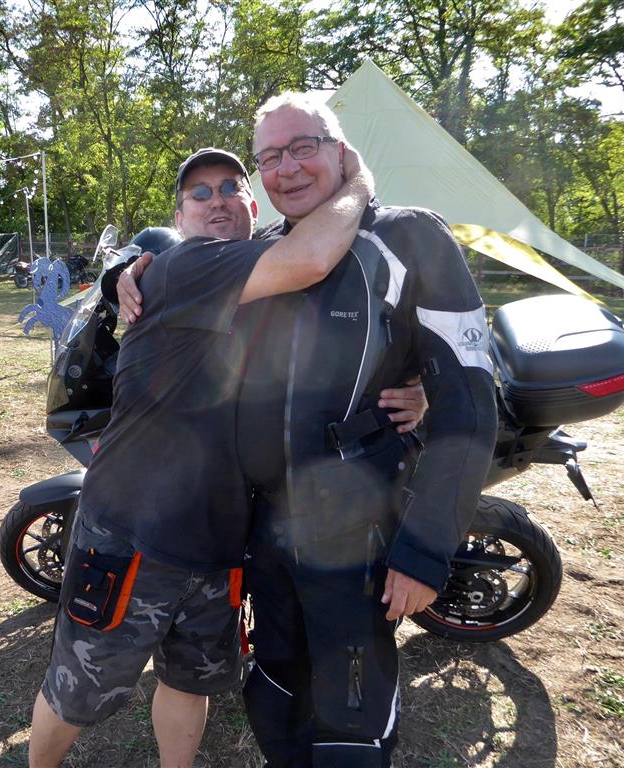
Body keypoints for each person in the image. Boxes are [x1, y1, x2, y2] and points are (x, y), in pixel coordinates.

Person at [118, 92, 497, 767]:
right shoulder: (265, 249)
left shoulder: (411, 237)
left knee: (352, 700)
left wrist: (424, 551)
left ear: (341, 152)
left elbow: (470, 404)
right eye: (270, 157)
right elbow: (181, 268)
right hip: (266, 524)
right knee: (276, 684)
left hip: (361, 526)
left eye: (303, 147)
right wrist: (123, 272)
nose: (287, 168)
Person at [28, 145, 376, 768]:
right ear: (180, 218)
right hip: (132, 533)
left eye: (230, 188)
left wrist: (414, 387)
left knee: (192, 680)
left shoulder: (258, 267)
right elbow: (314, 254)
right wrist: (360, 181)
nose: (216, 201)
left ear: (253, 206)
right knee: (79, 688)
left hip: (217, 540)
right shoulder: (189, 264)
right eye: (199, 193)